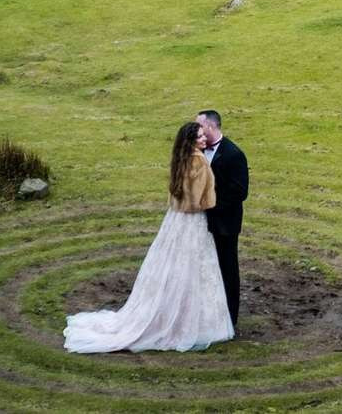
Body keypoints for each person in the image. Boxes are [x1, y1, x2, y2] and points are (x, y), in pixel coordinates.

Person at [63, 121, 234, 353]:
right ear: (192, 141)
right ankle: (191, 320)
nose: (204, 140)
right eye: (201, 137)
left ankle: (166, 310)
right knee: (193, 268)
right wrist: (210, 202)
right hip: (193, 222)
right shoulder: (199, 161)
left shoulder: (180, 159)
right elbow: (195, 202)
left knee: (171, 264)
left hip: (174, 220)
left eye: (205, 136)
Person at [197, 109, 249, 329]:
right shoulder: (196, 151)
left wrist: (211, 205)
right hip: (200, 222)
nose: (197, 130)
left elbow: (239, 192)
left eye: (199, 125)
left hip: (225, 223)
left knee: (227, 269)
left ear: (210, 126)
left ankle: (229, 317)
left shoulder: (234, 154)